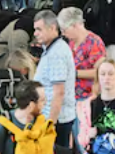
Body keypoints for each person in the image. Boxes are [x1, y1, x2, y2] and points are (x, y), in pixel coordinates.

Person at [32, 10, 77, 147]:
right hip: (52, 117)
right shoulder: (53, 49)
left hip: (56, 120)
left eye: (39, 29)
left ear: (52, 28)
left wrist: (50, 124)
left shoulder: (57, 53)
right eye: (35, 30)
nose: (35, 33)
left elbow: (59, 92)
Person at [0, 80, 49, 154]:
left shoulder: (42, 123)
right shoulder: (1, 126)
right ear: (31, 105)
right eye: (42, 100)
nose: (45, 103)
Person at [58, 6, 106, 102]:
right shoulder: (71, 42)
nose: (63, 33)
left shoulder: (94, 42)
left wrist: (74, 73)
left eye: (64, 30)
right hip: (70, 94)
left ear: (75, 26)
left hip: (87, 96)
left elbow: (100, 72)